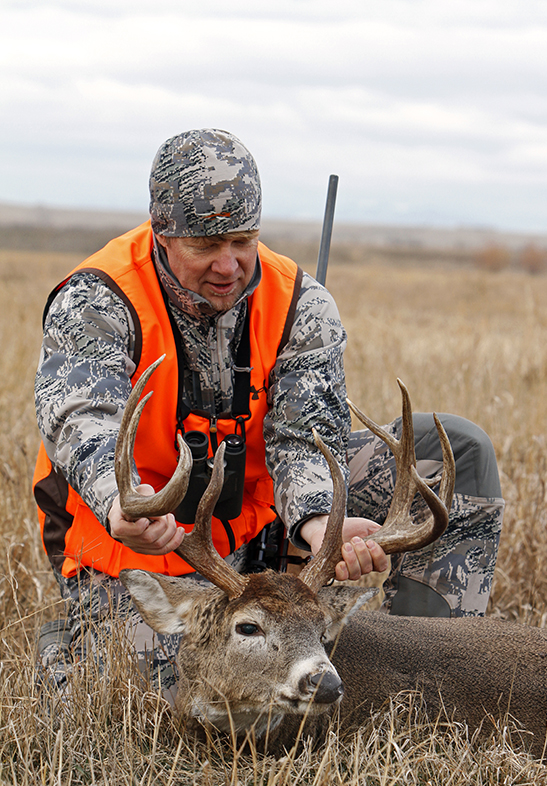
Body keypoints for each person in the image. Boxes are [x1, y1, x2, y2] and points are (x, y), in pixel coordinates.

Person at [33, 129, 504, 700]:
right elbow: (79, 415)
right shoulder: (99, 297)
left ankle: (429, 678)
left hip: (265, 525)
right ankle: (75, 643)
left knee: (453, 449)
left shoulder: (299, 302)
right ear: (161, 234)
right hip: (144, 539)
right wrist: (120, 500)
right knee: (160, 697)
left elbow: (305, 438)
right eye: (206, 245)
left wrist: (317, 521)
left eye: (244, 239)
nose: (229, 264)